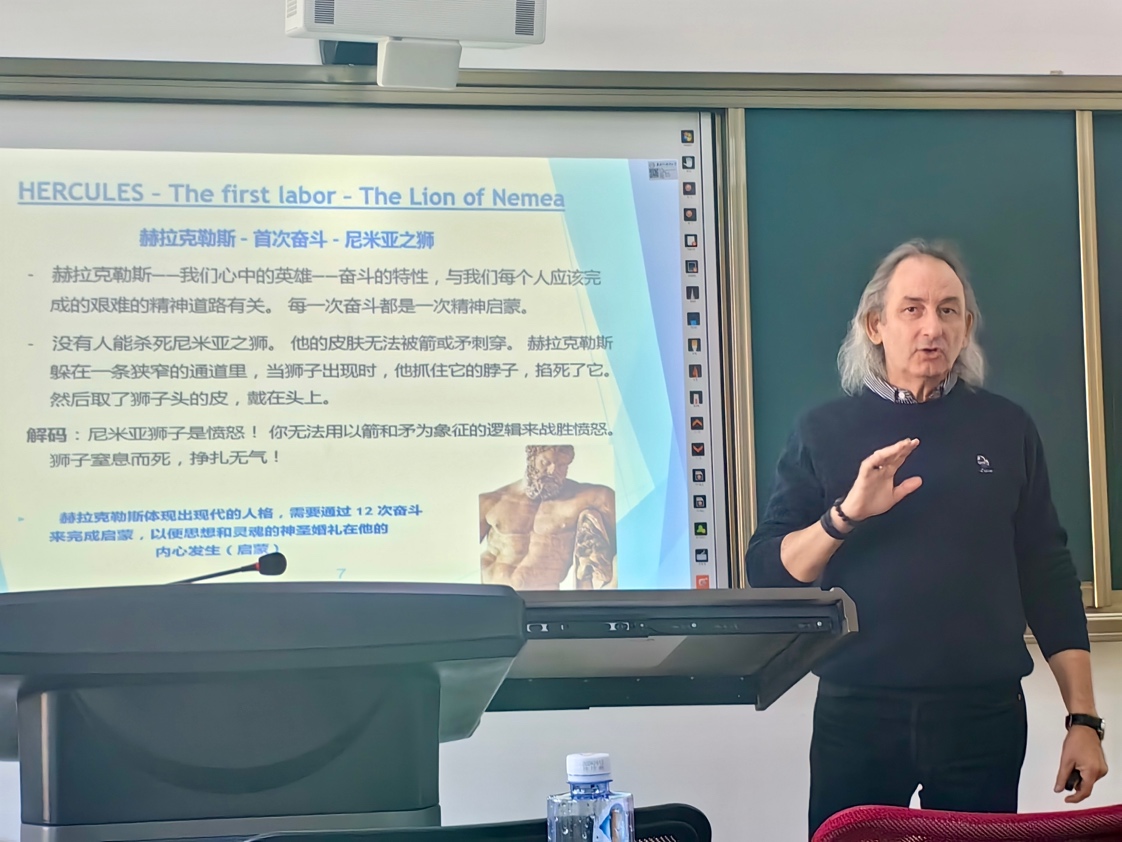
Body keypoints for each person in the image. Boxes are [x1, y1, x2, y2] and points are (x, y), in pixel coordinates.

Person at [745, 240, 1108, 837]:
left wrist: (1084, 720)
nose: (931, 327)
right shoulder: (822, 430)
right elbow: (768, 572)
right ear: (876, 326)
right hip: (858, 713)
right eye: (911, 309)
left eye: (947, 310)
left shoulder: (1007, 427)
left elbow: (1048, 575)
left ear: (966, 327)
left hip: (983, 716)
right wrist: (846, 515)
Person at [480, 445, 617, 590]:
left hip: (544, 597)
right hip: (494, 592)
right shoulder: (492, 502)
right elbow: (465, 551)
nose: (552, 471)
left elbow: (627, 546)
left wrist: (614, 585)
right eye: (545, 463)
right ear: (531, 458)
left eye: (562, 465)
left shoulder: (595, 497)